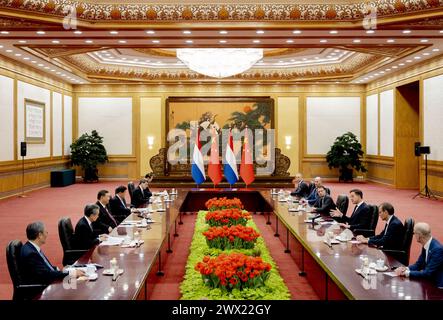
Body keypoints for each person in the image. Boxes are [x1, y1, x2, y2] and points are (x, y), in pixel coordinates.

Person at [395, 222, 443, 288]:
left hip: (437, 286)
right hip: (429, 280)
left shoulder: (437, 249)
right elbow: (419, 264)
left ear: (419, 235)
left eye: (414, 233)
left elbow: (428, 273)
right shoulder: (426, 244)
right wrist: (405, 268)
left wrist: (406, 273)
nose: (413, 235)